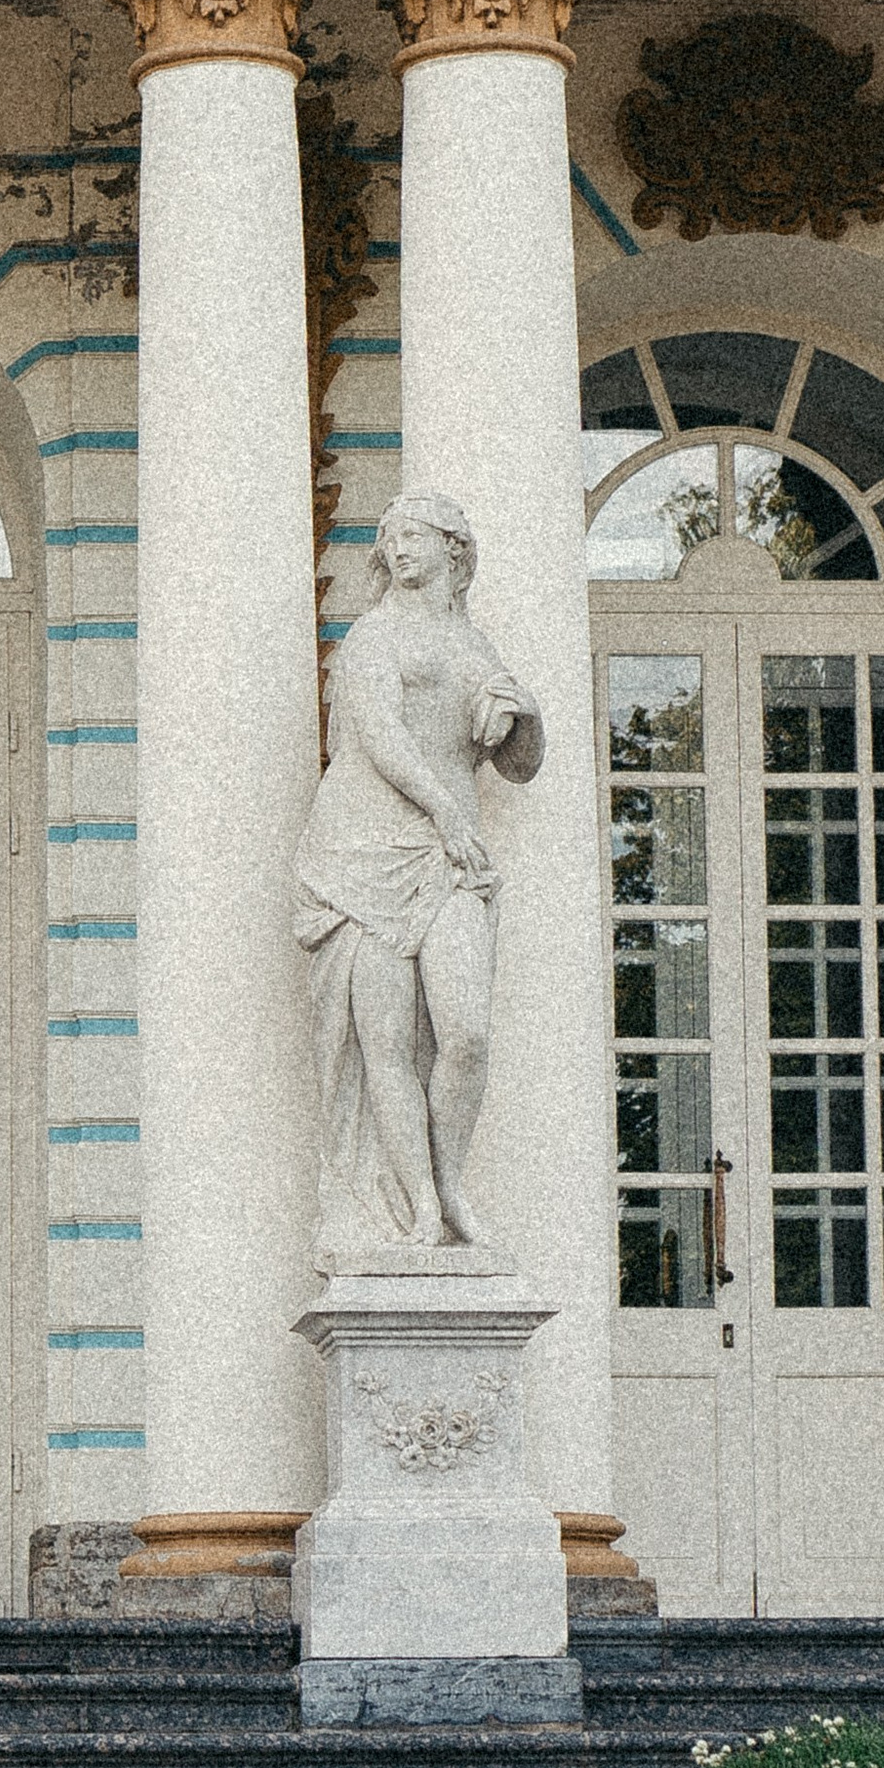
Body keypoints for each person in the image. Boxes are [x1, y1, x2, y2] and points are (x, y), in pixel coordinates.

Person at [291, 487, 542, 1260]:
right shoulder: (375, 635)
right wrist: (446, 812)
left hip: (447, 854)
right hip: (364, 850)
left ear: (453, 550)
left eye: (414, 535)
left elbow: (521, 768)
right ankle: (422, 1209)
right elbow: (379, 735)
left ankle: (451, 1178)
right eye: (389, 537)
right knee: (385, 1045)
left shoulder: (477, 647)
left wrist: (525, 715)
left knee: (465, 1031)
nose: (398, 549)